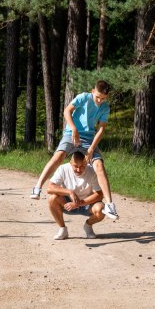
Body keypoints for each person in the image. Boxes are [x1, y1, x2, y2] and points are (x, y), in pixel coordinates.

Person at [30, 80, 119, 220]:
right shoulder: (83, 97)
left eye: (103, 98)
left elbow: (101, 129)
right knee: (58, 156)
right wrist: (74, 129)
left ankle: (109, 204)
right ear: (92, 91)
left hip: (89, 139)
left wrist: (91, 149)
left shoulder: (105, 107)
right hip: (70, 134)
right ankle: (37, 187)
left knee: (99, 165)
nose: (100, 100)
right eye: (97, 97)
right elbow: (67, 111)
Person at [47, 151, 106, 240]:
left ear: (86, 162)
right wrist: (69, 192)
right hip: (68, 203)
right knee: (52, 199)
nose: (79, 170)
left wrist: (79, 204)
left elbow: (100, 195)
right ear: (70, 163)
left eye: (82, 166)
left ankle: (88, 226)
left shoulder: (92, 170)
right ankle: (62, 229)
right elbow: (50, 188)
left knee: (101, 209)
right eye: (76, 166)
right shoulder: (63, 169)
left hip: (87, 204)